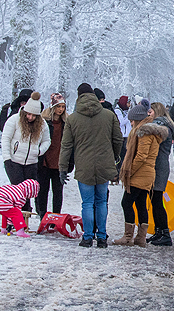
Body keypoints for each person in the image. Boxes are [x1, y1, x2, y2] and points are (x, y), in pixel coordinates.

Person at [59, 87, 122, 248]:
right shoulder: (109, 116)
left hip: (84, 166)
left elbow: (66, 145)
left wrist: (63, 168)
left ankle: (87, 237)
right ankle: (101, 236)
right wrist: (114, 156)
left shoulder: (72, 119)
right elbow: (118, 139)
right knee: (101, 201)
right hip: (104, 165)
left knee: (87, 203)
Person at [112, 99, 168, 247]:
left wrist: (129, 171)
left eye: (132, 120)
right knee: (141, 203)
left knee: (126, 202)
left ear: (138, 120)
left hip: (141, 174)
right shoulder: (148, 131)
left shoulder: (144, 133)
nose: (130, 123)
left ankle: (128, 236)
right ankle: (140, 238)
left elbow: (141, 156)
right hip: (147, 173)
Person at [1, 91, 49, 211]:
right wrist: (7, 158)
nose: (30, 118)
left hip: (31, 163)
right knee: (17, 191)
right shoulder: (14, 120)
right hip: (14, 161)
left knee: (27, 192)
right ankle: (15, 217)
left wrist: (38, 151)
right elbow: (6, 138)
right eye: (28, 114)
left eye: (34, 116)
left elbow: (47, 141)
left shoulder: (42, 124)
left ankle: (24, 215)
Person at [147, 102, 174, 246]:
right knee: (154, 200)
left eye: (151, 111)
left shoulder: (162, 128)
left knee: (157, 201)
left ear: (157, 111)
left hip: (159, 166)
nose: (149, 113)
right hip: (157, 165)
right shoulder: (161, 125)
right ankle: (159, 232)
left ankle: (165, 234)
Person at [36, 93, 67, 217]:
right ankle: (42, 214)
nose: (60, 109)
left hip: (59, 160)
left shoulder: (66, 122)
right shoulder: (44, 121)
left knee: (58, 191)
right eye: (58, 106)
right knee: (43, 190)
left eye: (63, 107)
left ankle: (56, 216)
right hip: (45, 159)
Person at [115, 95, 132, 171]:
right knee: (122, 155)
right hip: (122, 136)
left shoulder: (125, 111)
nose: (129, 105)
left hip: (127, 136)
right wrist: (128, 116)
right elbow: (121, 122)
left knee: (126, 155)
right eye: (128, 103)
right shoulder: (118, 111)